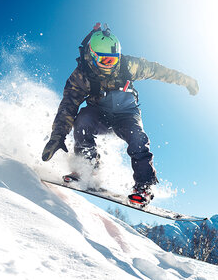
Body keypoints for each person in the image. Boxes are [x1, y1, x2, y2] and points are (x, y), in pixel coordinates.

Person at [42, 23, 198, 206]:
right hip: (99, 114)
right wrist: (58, 135)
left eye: (114, 60)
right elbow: (68, 105)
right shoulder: (81, 75)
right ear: (92, 56)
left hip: (126, 114)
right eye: (106, 61)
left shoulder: (128, 65)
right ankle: (87, 169)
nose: (111, 65)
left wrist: (186, 80)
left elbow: (158, 71)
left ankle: (143, 187)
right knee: (82, 121)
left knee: (138, 138)